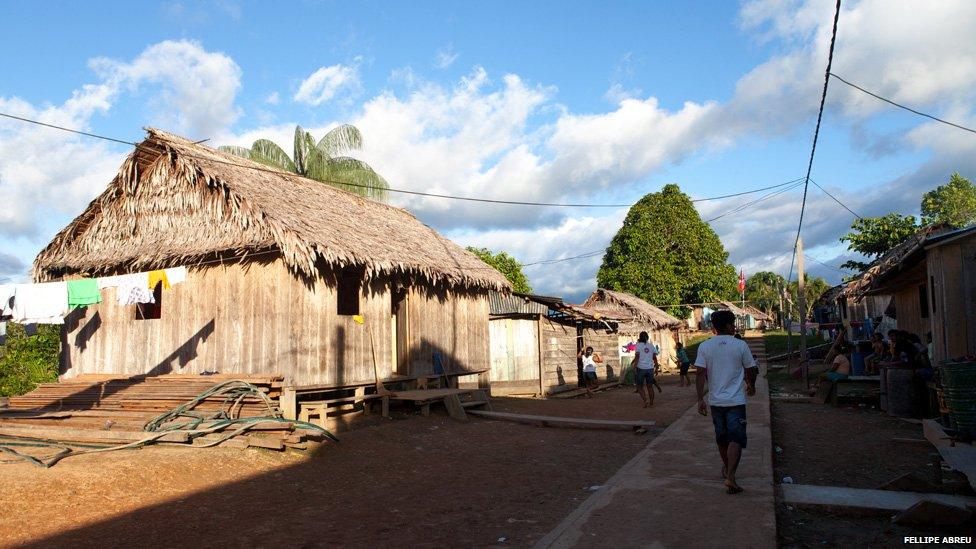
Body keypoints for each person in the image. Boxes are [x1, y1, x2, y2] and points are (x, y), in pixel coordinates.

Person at [695, 309, 758, 495]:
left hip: (716, 402)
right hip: (736, 402)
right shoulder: (740, 345)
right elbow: (751, 369)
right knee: (736, 438)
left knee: (722, 439)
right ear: (730, 326)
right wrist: (751, 385)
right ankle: (730, 476)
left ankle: (728, 471)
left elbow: (700, 374)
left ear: (714, 327)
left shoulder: (704, 347)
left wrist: (700, 399)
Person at [632, 331, 659, 407]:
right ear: (647, 337)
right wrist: (656, 367)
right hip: (650, 368)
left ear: (640, 337)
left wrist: (634, 367)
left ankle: (645, 401)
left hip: (641, 368)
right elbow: (654, 358)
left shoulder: (638, 345)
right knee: (650, 387)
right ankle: (651, 403)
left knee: (639, 386)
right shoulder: (651, 345)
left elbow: (637, 357)